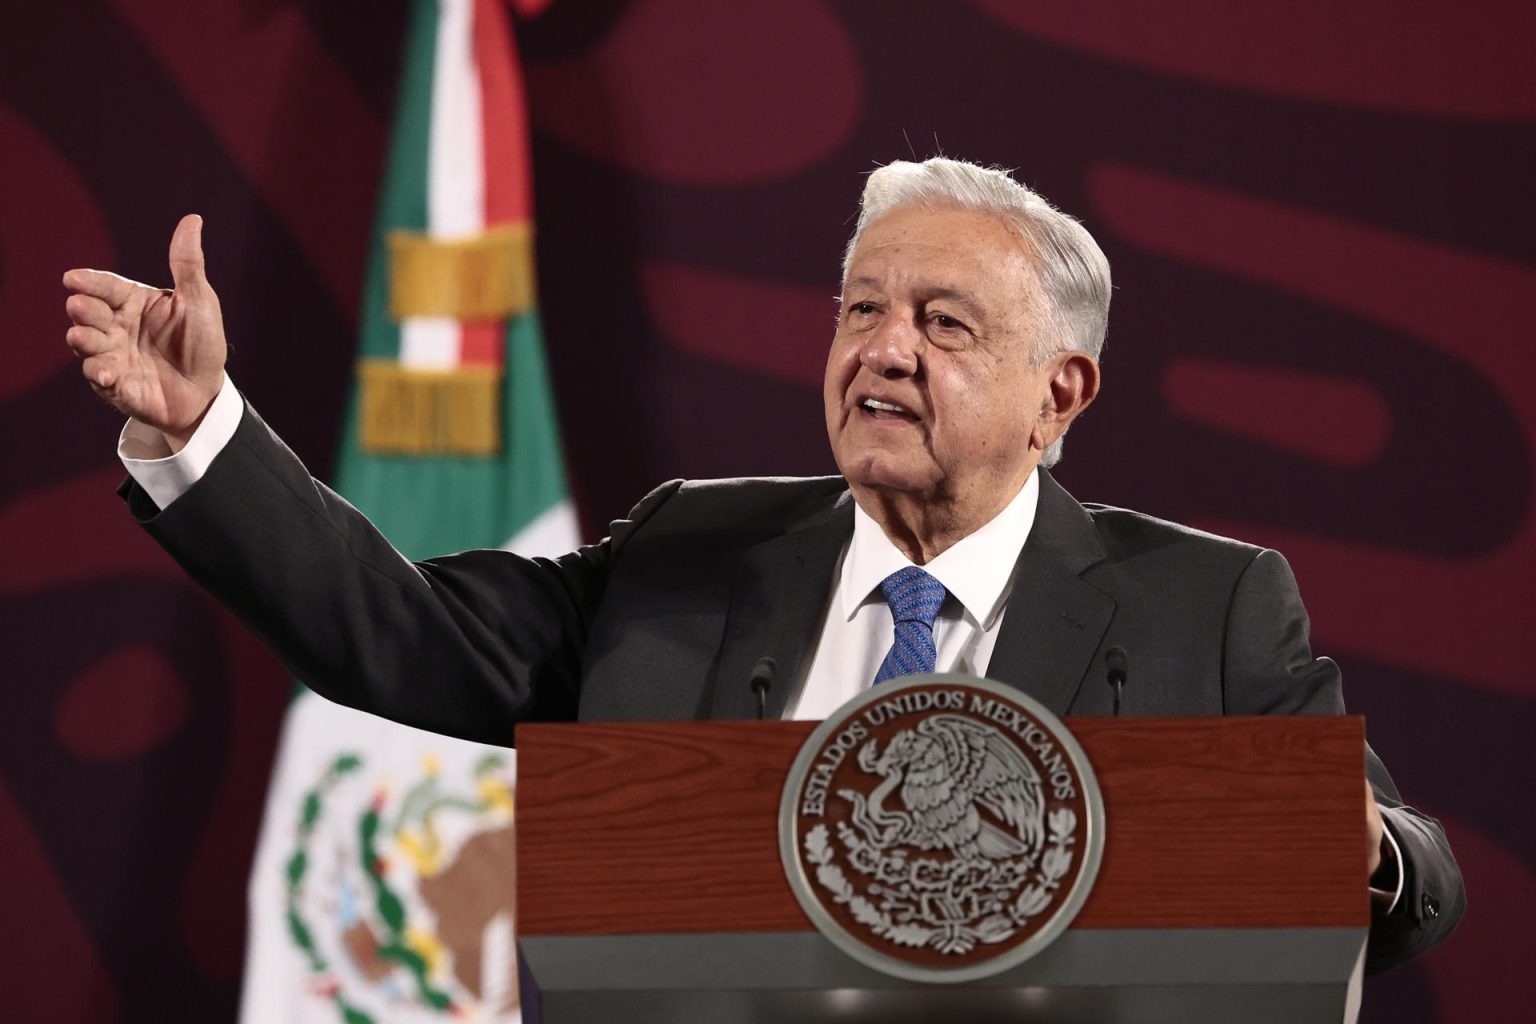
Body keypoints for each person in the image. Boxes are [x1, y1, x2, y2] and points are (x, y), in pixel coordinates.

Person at [62, 157, 1462, 972]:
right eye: (860, 305)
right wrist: (204, 432)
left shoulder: (1204, 607)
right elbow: (394, 633)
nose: (883, 346)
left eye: (945, 322)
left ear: (1061, 396)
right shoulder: (690, 554)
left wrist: (1370, 860)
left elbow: (1406, 874)